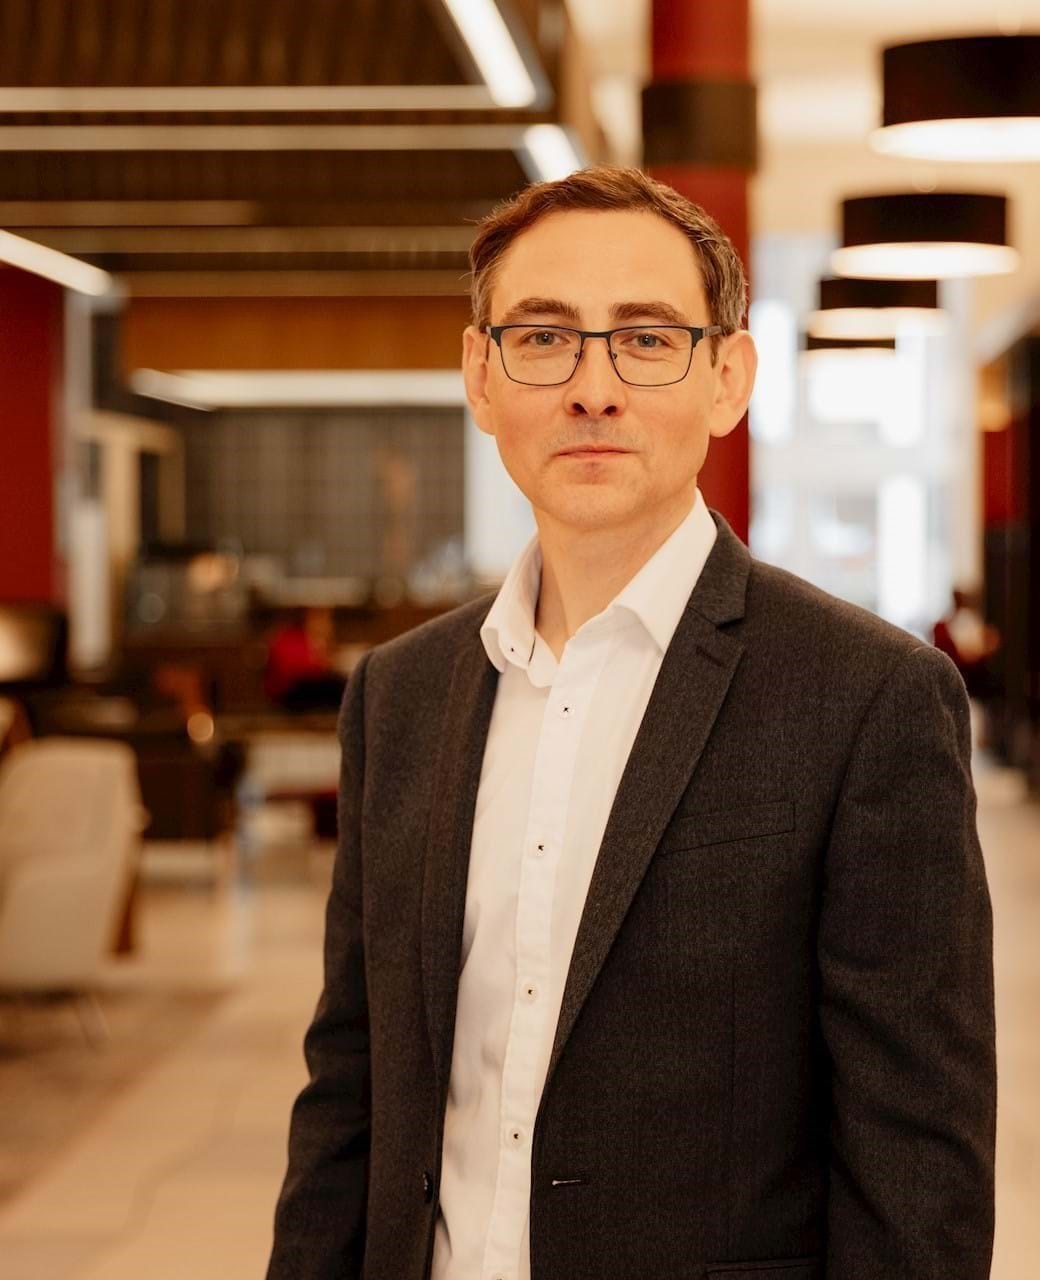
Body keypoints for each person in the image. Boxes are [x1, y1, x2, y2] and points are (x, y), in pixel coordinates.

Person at [268, 167, 994, 1280]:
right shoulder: (400, 696)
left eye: (647, 340)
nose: (593, 389)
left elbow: (917, 1159)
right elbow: (350, 1083)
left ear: (727, 379)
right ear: (480, 376)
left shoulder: (868, 699)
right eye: (543, 338)